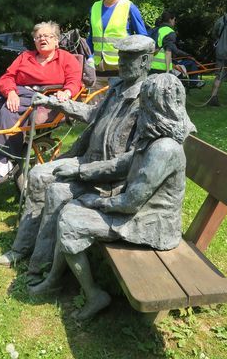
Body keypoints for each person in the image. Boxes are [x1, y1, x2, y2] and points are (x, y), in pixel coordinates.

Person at [28, 73, 195, 320]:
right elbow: (119, 165)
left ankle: (92, 293)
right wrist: (79, 170)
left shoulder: (164, 149)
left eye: (145, 102)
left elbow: (130, 203)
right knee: (70, 211)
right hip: (141, 213)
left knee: (71, 220)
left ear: (155, 105)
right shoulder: (152, 139)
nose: (141, 109)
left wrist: (96, 202)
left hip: (152, 224)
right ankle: (55, 279)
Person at [0, 35, 155, 277]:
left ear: (144, 61)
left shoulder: (149, 97)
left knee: (55, 189)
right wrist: (56, 103)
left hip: (108, 178)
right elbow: (92, 113)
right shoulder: (118, 88)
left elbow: (132, 160)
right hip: (88, 158)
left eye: (127, 58)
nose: (120, 62)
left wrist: (81, 172)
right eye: (120, 56)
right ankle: (22, 247)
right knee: (37, 175)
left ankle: (40, 263)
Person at [0, 21, 82, 184]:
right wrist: (10, 91)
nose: (42, 39)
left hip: (42, 95)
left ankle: (5, 160)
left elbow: (75, 81)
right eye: (38, 36)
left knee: (9, 110)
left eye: (47, 36)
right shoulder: (25, 56)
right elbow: (7, 77)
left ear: (56, 40)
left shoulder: (66, 58)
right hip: (17, 90)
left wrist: (67, 92)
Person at [87, 0, 148, 77]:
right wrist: (89, 58)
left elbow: (143, 40)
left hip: (122, 73)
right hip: (97, 72)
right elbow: (91, 38)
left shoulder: (129, 7)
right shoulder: (94, 7)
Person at [150, 11, 203, 88]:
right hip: (162, 66)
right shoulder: (169, 31)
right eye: (174, 20)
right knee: (190, 63)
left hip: (151, 65)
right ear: (170, 20)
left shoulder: (155, 30)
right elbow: (170, 51)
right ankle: (194, 83)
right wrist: (187, 55)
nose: (174, 22)